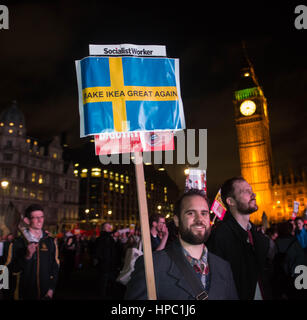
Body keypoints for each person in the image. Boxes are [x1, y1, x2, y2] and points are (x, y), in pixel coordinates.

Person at [125, 189, 238, 300]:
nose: (199, 219)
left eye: (204, 213)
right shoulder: (152, 265)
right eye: (191, 213)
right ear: (177, 220)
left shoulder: (224, 267)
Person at [207, 176, 270, 300]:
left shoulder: (258, 237)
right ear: (231, 201)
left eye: (251, 190)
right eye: (246, 191)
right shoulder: (220, 237)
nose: (253, 194)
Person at [9, 204, 60, 300]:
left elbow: (55, 266)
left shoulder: (50, 241)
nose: (40, 220)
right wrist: (27, 257)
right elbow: (10, 270)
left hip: (46, 294)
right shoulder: (17, 243)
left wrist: (51, 289)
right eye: (36, 218)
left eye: (41, 217)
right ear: (27, 221)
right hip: (24, 294)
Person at [272, 221, 307, 299]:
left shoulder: (275, 243)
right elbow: (301, 261)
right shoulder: (294, 242)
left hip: (283, 280)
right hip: (297, 277)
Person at [95, 222, 122, 299]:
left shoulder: (109, 238)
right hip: (105, 264)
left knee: (110, 281)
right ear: (103, 228)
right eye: (107, 226)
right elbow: (99, 251)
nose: (110, 227)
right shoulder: (103, 238)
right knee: (104, 282)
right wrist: (101, 260)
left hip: (111, 263)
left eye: (110, 226)